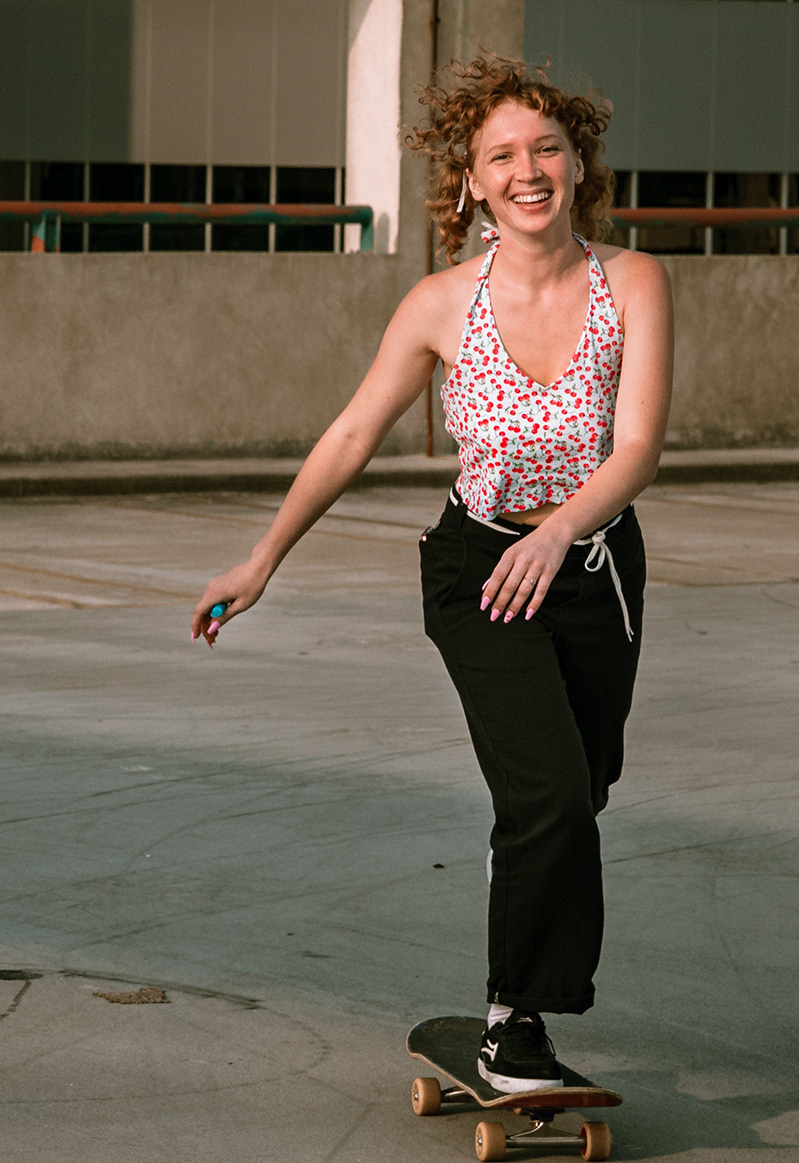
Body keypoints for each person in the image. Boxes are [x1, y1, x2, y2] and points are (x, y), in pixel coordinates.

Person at [191, 57, 673, 1094]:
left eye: (547, 148)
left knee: (571, 797)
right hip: (479, 568)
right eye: (502, 155)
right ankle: (516, 1025)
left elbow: (635, 448)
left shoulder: (633, 282)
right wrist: (265, 554)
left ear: (580, 164)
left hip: (593, 568)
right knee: (544, 789)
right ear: (472, 180)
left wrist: (561, 535)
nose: (528, 169)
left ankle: (516, 1004)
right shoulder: (440, 303)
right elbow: (355, 430)